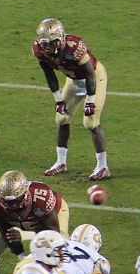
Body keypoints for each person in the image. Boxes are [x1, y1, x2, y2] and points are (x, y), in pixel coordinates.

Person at [33, 18, 110, 181]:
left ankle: (103, 166)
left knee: (90, 122)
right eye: (44, 43)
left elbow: (90, 75)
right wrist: (58, 100)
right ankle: (61, 162)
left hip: (95, 78)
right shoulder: (40, 51)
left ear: (60, 38)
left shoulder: (74, 47)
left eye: (51, 42)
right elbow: (49, 75)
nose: (46, 47)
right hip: (74, 80)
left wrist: (90, 102)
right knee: (61, 118)